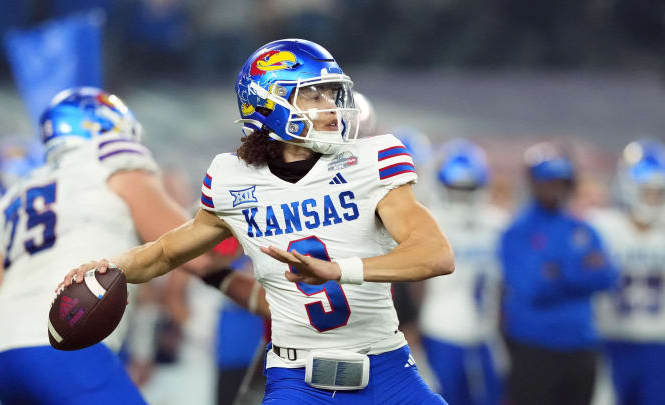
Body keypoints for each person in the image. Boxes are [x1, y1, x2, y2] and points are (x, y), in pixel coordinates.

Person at [61, 38, 454, 404]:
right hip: (298, 380)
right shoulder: (233, 179)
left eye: (332, 93)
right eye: (313, 94)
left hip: (388, 370)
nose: (331, 105)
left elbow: (436, 255)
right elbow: (165, 252)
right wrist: (110, 268)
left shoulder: (369, 160)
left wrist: (339, 270)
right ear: (271, 102)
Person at [0, 87, 265, 405]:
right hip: (66, 343)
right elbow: (200, 255)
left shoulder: (20, 190)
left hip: (0, 355)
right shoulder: (112, 162)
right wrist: (249, 223)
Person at [499, 141, 618, 405]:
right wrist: (579, 270)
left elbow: (607, 277)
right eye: (548, 180)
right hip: (535, 349)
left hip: (581, 348)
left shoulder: (583, 228)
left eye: (561, 181)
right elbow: (534, 288)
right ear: (533, 183)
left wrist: (557, 271)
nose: (555, 187)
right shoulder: (517, 231)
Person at [418, 140, 507, 405]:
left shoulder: (498, 224)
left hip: (486, 335)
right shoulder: (428, 221)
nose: (461, 196)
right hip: (439, 331)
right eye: (455, 188)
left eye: (468, 189)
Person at [589, 139, 665, 405]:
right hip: (610, 342)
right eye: (647, 191)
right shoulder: (602, 227)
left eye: (658, 192)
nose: (653, 199)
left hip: (659, 343)